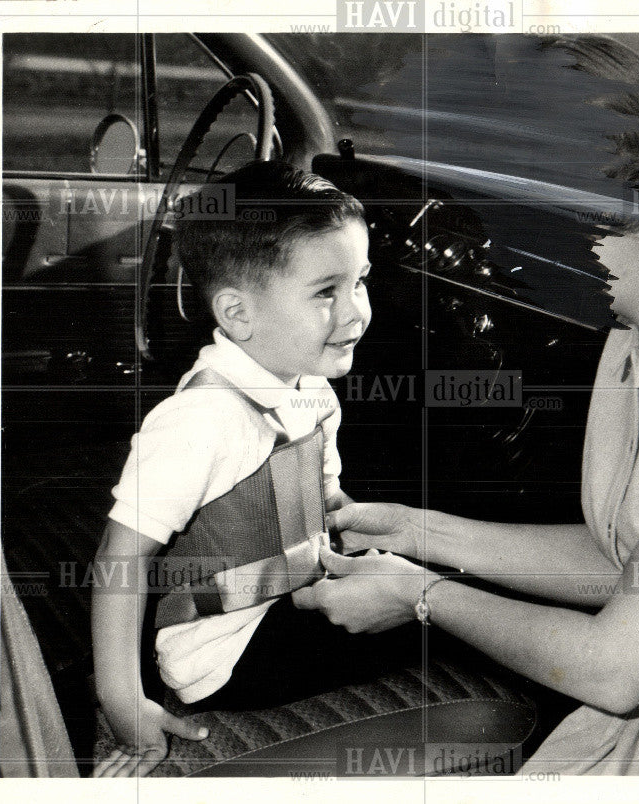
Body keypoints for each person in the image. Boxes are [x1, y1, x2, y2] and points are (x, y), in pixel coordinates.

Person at [293, 36, 639, 775]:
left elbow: (615, 669)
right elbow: (638, 559)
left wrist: (421, 595)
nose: (493, 251)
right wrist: (412, 530)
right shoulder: (638, 337)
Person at [91, 162, 425, 777]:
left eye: (362, 282)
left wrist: (370, 542)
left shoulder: (311, 390)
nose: (357, 314)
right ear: (238, 315)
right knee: (446, 611)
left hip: (289, 598)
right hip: (226, 657)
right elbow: (120, 559)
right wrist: (122, 702)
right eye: (327, 291)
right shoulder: (199, 422)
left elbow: (323, 501)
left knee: (434, 580)